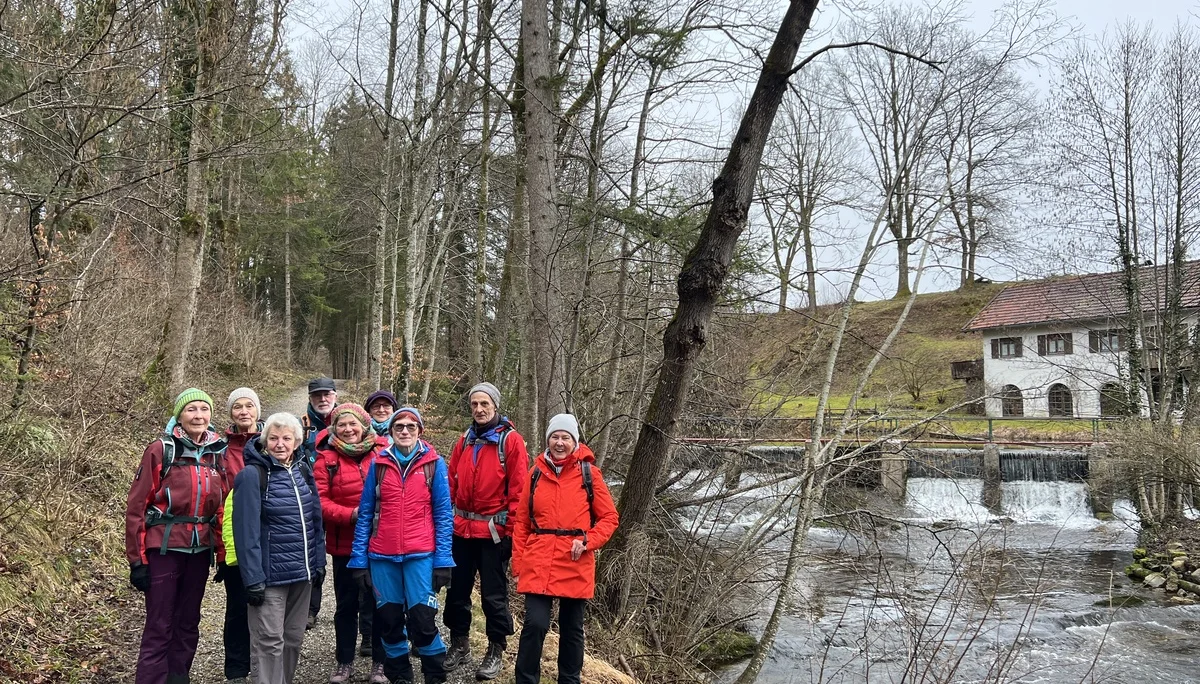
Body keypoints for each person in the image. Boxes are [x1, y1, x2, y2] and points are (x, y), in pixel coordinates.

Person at [126, 388, 228, 684]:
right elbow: (137, 506)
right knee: (160, 623)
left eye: (204, 409)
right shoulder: (161, 450)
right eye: (191, 409)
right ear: (179, 416)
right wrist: (137, 560)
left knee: (188, 620)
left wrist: (222, 553)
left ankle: (178, 676)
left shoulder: (216, 452)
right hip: (164, 547)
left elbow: (222, 507)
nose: (198, 415)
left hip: (200, 550)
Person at [511, 414, 619, 684]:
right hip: (538, 558)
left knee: (572, 629)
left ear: (575, 441)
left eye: (566, 438)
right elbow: (521, 522)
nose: (560, 443)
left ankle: (569, 681)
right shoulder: (535, 473)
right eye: (555, 437)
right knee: (534, 624)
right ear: (548, 439)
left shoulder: (589, 474)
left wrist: (588, 541)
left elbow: (609, 518)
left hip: (575, 560)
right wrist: (518, 564)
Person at [349, 407, 454, 684]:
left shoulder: (434, 464)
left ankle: (434, 675)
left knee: (423, 621)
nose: (405, 431)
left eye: (411, 426)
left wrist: (444, 560)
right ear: (391, 431)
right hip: (382, 557)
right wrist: (358, 561)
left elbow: (444, 515)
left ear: (420, 431)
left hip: (421, 556)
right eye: (399, 426)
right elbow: (365, 514)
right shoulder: (378, 465)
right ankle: (400, 676)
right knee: (390, 622)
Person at [233, 412, 327, 684]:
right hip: (269, 576)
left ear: (296, 442)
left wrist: (319, 562)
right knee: (269, 641)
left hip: (302, 574)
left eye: (287, 438)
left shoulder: (303, 470)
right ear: (265, 441)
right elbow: (245, 531)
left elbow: (315, 520)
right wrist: (253, 579)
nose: (280, 444)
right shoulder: (252, 475)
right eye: (273, 438)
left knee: (293, 638)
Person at [443, 382, 528, 679]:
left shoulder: (511, 441)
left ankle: (495, 649)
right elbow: (450, 482)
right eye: (474, 404)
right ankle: (460, 643)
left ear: (495, 405)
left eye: (484, 404)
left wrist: (510, 533)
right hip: (461, 530)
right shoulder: (465, 440)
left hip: (493, 533)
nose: (479, 409)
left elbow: (519, 491)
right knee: (457, 591)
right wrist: (446, 521)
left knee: (493, 596)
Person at [314, 404, 387, 684]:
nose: (348, 429)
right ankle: (344, 662)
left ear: (364, 426)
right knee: (346, 606)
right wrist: (351, 515)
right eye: (341, 424)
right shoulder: (327, 459)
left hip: (380, 543)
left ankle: (380, 663)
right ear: (334, 429)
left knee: (380, 603)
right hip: (344, 544)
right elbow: (320, 501)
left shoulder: (383, 453)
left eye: (353, 424)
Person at [215, 387, 262, 684]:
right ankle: (236, 668)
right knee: (236, 606)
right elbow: (217, 499)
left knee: (268, 604)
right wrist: (222, 547)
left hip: (267, 536)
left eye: (249, 406)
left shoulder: (271, 442)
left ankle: (265, 666)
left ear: (257, 410)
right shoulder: (220, 450)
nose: (244, 411)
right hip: (232, 539)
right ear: (231, 413)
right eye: (237, 407)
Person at [302, 376, 338, 628]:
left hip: (341, 499)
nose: (323, 399)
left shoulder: (347, 421)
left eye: (327, 394)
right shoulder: (301, 425)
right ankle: (309, 608)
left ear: (335, 396)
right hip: (308, 499)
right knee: (312, 553)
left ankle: (352, 609)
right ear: (310, 398)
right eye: (317, 395)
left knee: (349, 555)